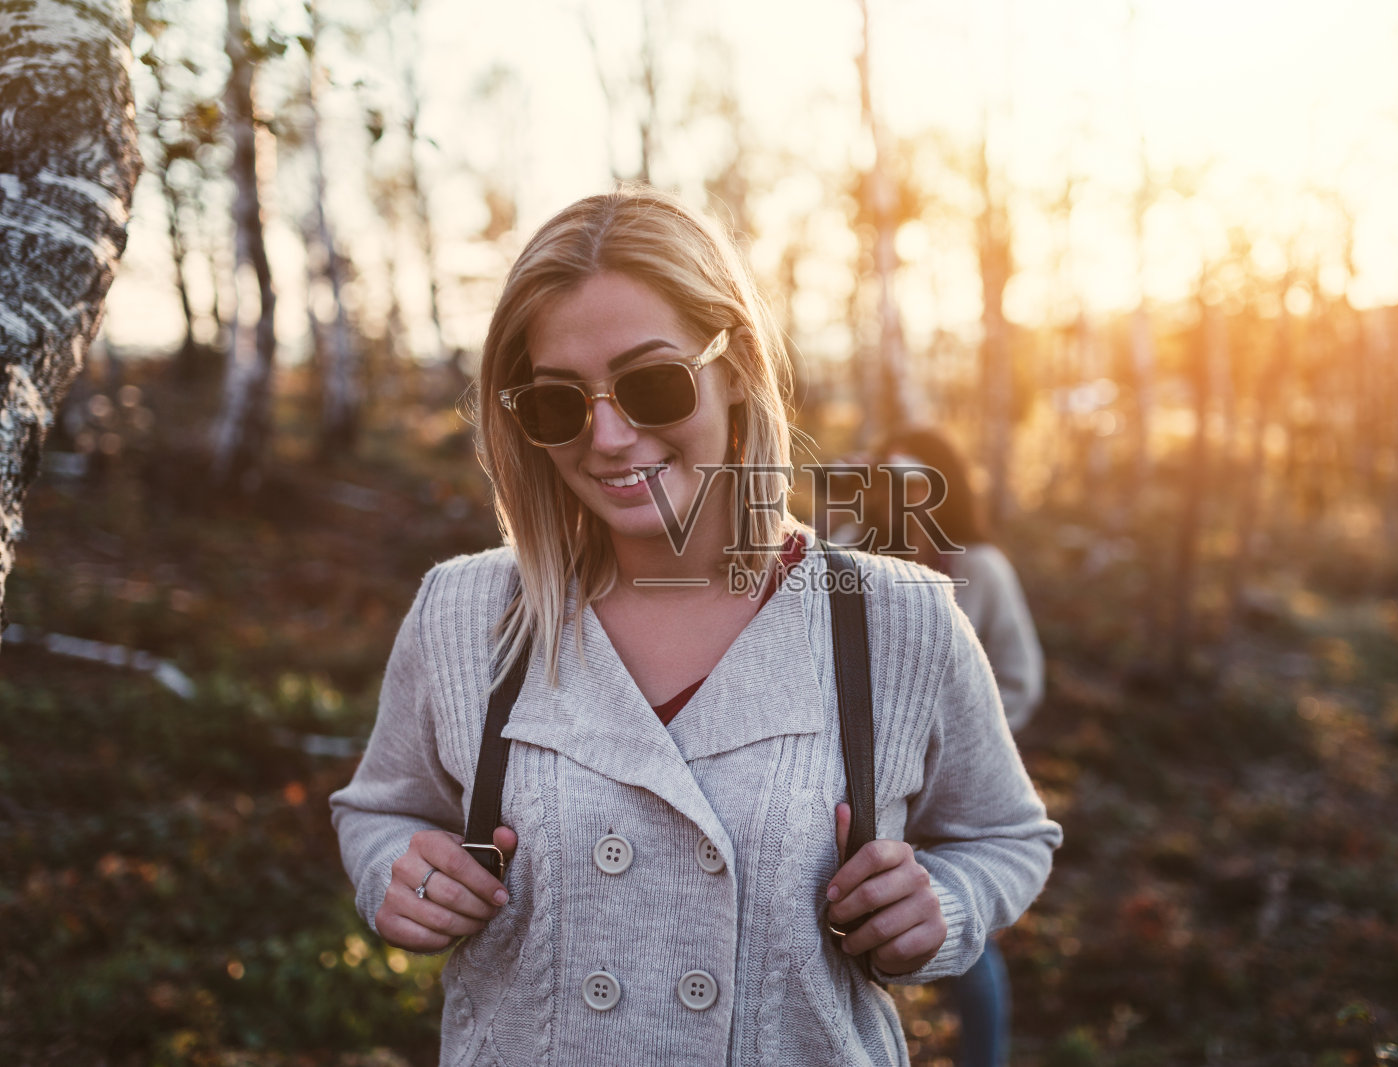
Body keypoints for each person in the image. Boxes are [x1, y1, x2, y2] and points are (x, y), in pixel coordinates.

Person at [329, 187, 1060, 1066]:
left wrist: (942, 904)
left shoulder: (897, 618)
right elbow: (380, 810)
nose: (607, 434)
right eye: (558, 403)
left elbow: (1005, 835)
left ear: (737, 368)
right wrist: (393, 874)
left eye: (652, 383)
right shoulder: (465, 613)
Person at [862, 427, 1047, 1067]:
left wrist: (963, 756)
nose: (902, 500)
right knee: (870, 929)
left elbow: (1021, 679)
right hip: (871, 797)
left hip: (953, 795)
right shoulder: (857, 568)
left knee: (966, 941)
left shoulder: (982, 568)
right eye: (889, 484)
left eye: (916, 483)